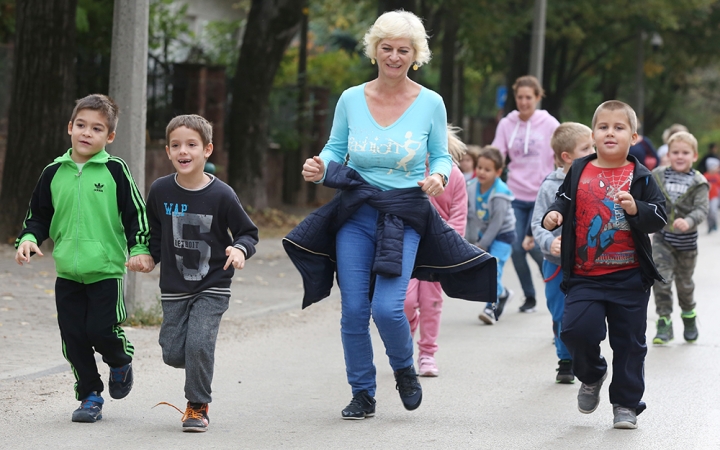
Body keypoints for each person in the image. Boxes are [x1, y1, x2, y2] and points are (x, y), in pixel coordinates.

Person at [285, 10, 497, 421]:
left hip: (404, 213)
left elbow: (440, 155)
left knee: (386, 307)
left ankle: (404, 368)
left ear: (415, 55)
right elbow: (334, 148)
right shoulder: (351, 98)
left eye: (403, 50)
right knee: (353, 310)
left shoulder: (430, 102)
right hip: (357, 211)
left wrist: (438, 175)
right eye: (387, 48)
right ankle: (362, 392)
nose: (394, 57)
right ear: (374, 51)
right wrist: (320, 166)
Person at [14, 94, 154, 423]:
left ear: (110, 137)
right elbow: (38, 215)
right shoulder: (53, 172)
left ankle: (120, 360)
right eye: (81, 125)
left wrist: (140, 248)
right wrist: (29, 238)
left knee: (101, 330)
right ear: (69, 128)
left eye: (96, 128)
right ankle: (90, 395)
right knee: (74, 336)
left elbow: (136, 214)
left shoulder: (114, 170)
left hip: (105, 269)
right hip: (67, 272)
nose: (86, 133)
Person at [542, 100, 667, 429]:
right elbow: (563, 199)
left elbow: (659, 217)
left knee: (629, 344)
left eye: (619, 127)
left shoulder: (641, 176)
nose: (610, 132)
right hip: (585, 277)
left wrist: (636, 208)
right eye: (603, 127)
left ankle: (626, 404)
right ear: (594, 134)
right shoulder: (580, 169)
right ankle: (592, 373)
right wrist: (555, 214)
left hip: (629, 278)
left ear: (634, 137)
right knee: (574, 330)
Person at [145, 115, 259, 432]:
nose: (184, 151)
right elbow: (154, 232)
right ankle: (198, 359)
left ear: (207, 150)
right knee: (172, 352)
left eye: (192, 145)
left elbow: (248, 233)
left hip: (213, 284)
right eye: (176, 145)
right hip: (174, 286)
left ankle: (197, 406)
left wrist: (239, 249)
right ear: (168, 151)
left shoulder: (222, 195)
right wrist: (146, 256)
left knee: (197, 345)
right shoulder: (160, 190)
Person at [530, 122, 595, 384]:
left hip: (589, 263)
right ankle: (565, 359)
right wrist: (549, 242)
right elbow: (537, 223)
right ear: (567, 156)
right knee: (560, 314)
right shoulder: (550, 185)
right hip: (555, 263)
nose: (593, 150)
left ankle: (586, 355)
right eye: (586, 148)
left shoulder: (596, 179)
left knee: (585, 316)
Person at [403, 126, 468, 377]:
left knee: (431, 302)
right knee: (406, 302)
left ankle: (427, 354)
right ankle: (406, 343)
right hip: (407, 245)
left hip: (438, 249)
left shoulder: (455, 176)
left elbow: (459, 215)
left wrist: (449, 248)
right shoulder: (408, 171)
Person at [492, 75, 560, 312]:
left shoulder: (549, 123)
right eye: (519, 97)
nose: (523, 102)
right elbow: (496, 154)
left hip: (542, 196)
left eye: (528, 97)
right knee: (517, 248)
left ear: (537, 98)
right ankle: (529, 296)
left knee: (539, 246)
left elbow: (560, 154)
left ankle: (556, 284)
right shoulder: (507, 124)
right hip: (515, 194)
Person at [650, 131, 708, 345]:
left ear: (694, 155)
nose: (680, 156)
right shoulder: (658, 175)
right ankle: (664, 321)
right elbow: (647, 196)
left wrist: (690, 221)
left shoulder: (699, 182)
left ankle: (688, 315)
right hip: (662, 239)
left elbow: (702, 208)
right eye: (675, 152)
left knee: (684, 284)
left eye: (685, 152)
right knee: (661, 280)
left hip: (687, 243)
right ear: (668, 154)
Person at [466, 146, 516, 324]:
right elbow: (470, 216)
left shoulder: (500, 193)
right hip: (484, 233)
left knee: (493, 268)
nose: (481, 172)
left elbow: (497, 223)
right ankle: (503, 293)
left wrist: (484, 244)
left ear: (498, 172)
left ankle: (490, 308)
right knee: (485, 270)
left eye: (487, 169)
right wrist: (470, 241)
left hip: (503, 235)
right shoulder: (471, 188)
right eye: (479, 167)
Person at [703, 157, 720, 233]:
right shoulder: (705, 176)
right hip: (706, 197)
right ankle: (710, 226)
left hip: (715, 197)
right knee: (708, 213)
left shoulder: (717, 176)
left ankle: (714, 224)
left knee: (713, 211)